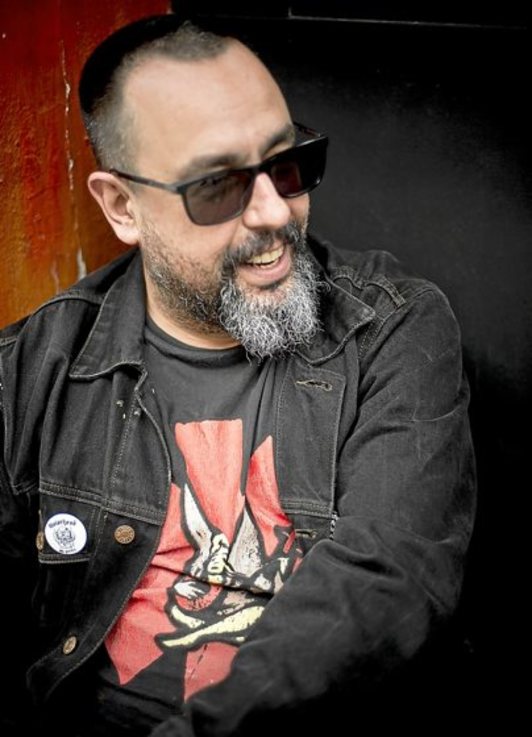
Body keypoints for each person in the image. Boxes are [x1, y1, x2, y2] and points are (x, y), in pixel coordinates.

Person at [0, 13, 476, 737]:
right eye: (218, 185)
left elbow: (387, 582)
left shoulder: (392, 328)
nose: (275, 212)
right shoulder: (32, 369)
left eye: (288, 162)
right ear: (123, 206)